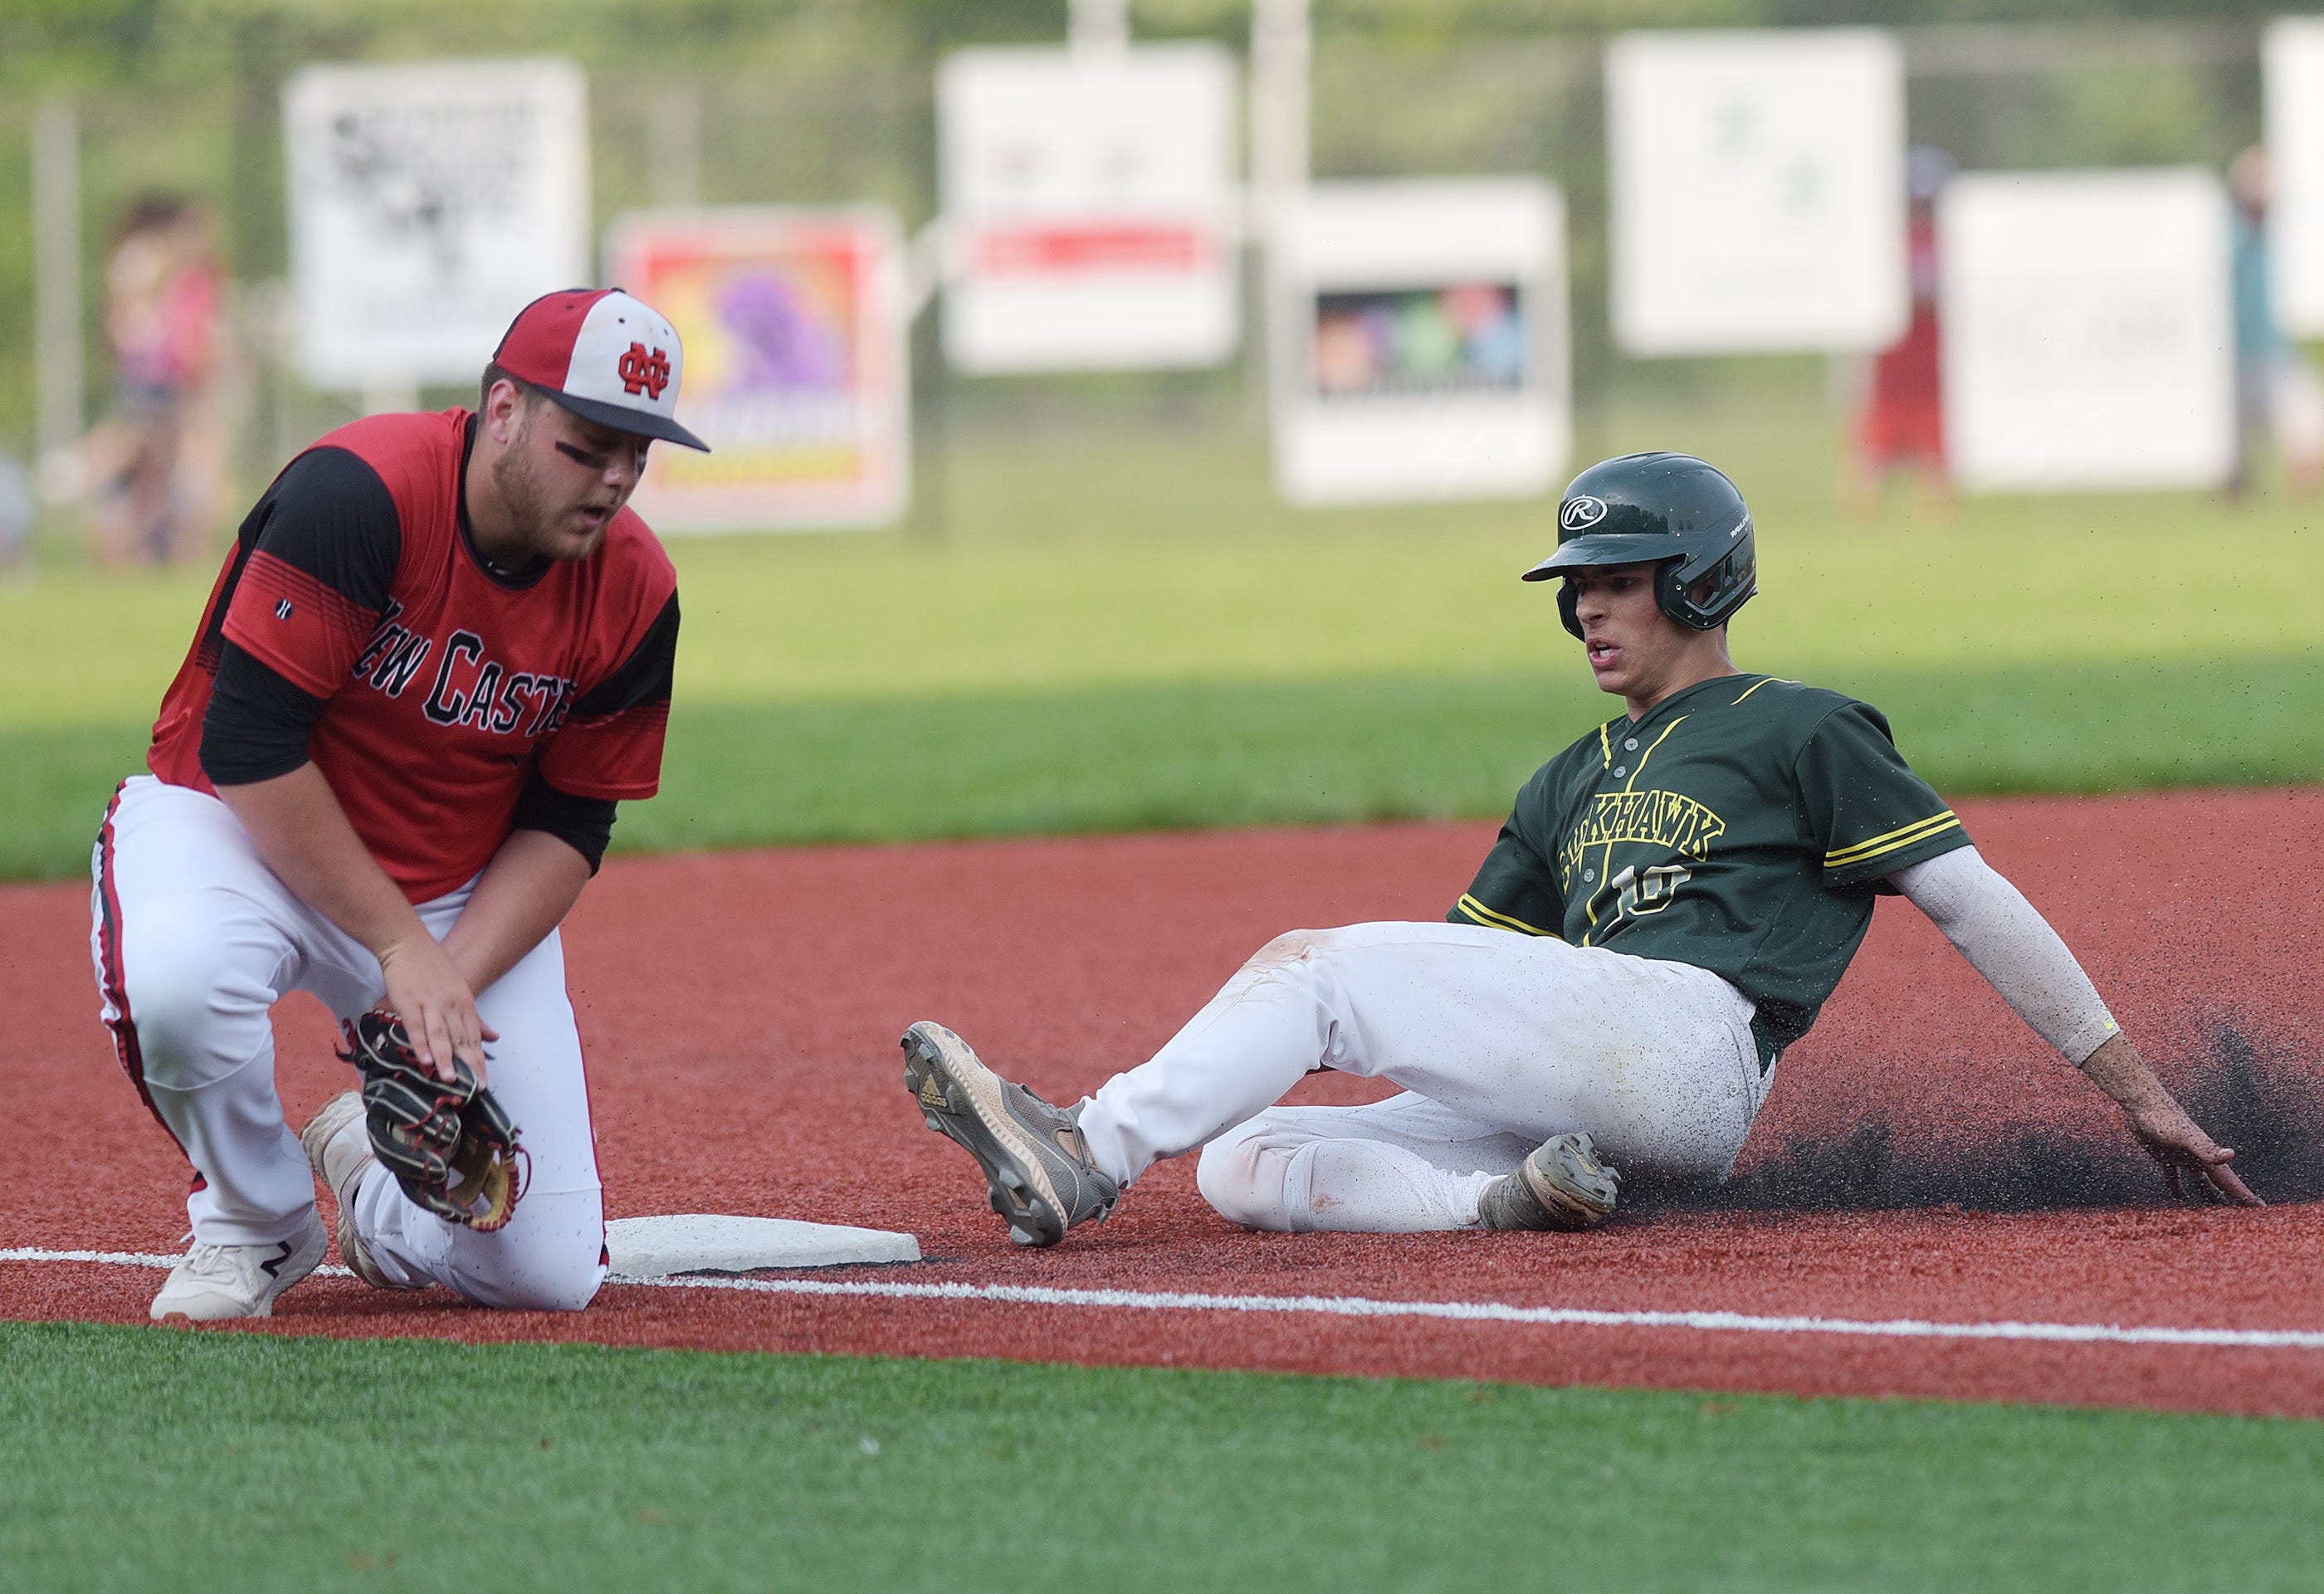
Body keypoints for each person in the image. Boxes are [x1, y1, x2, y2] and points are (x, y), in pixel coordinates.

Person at [901, 452, 2261, 1247]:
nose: (1590, 610)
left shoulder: (1801, 728)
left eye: (1617, 582)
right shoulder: (1568, 777)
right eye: (1578, 591)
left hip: (1692, 1044)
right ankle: (1502, 1205)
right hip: (1590, 1091)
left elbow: (1971, 900)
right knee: (1242, 1159)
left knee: (1316, 970)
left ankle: (1088, 1146)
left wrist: (2134, 1089)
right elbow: (1469, 980)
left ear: (1700, 583)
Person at [92, 288, 709, 1322]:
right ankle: (256, 1222)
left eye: (636, 455)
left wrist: (448, 971)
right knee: (180, 978)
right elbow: (249, 746)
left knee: (547, 1276)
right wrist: (397, 949)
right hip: (239, 827)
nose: (613, 480)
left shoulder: (636, 587)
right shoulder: (361, 493)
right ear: (503, 410)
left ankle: (377, 1206)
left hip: (449, 890)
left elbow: (572, 825)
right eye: (589, 443)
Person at [2228, 147, 2324, 498]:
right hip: (2233, 355)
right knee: (2231, 452)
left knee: (2307, 418)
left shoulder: (2281, 234)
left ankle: (2303, 506)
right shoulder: (2232, 233)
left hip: (2272, 351)